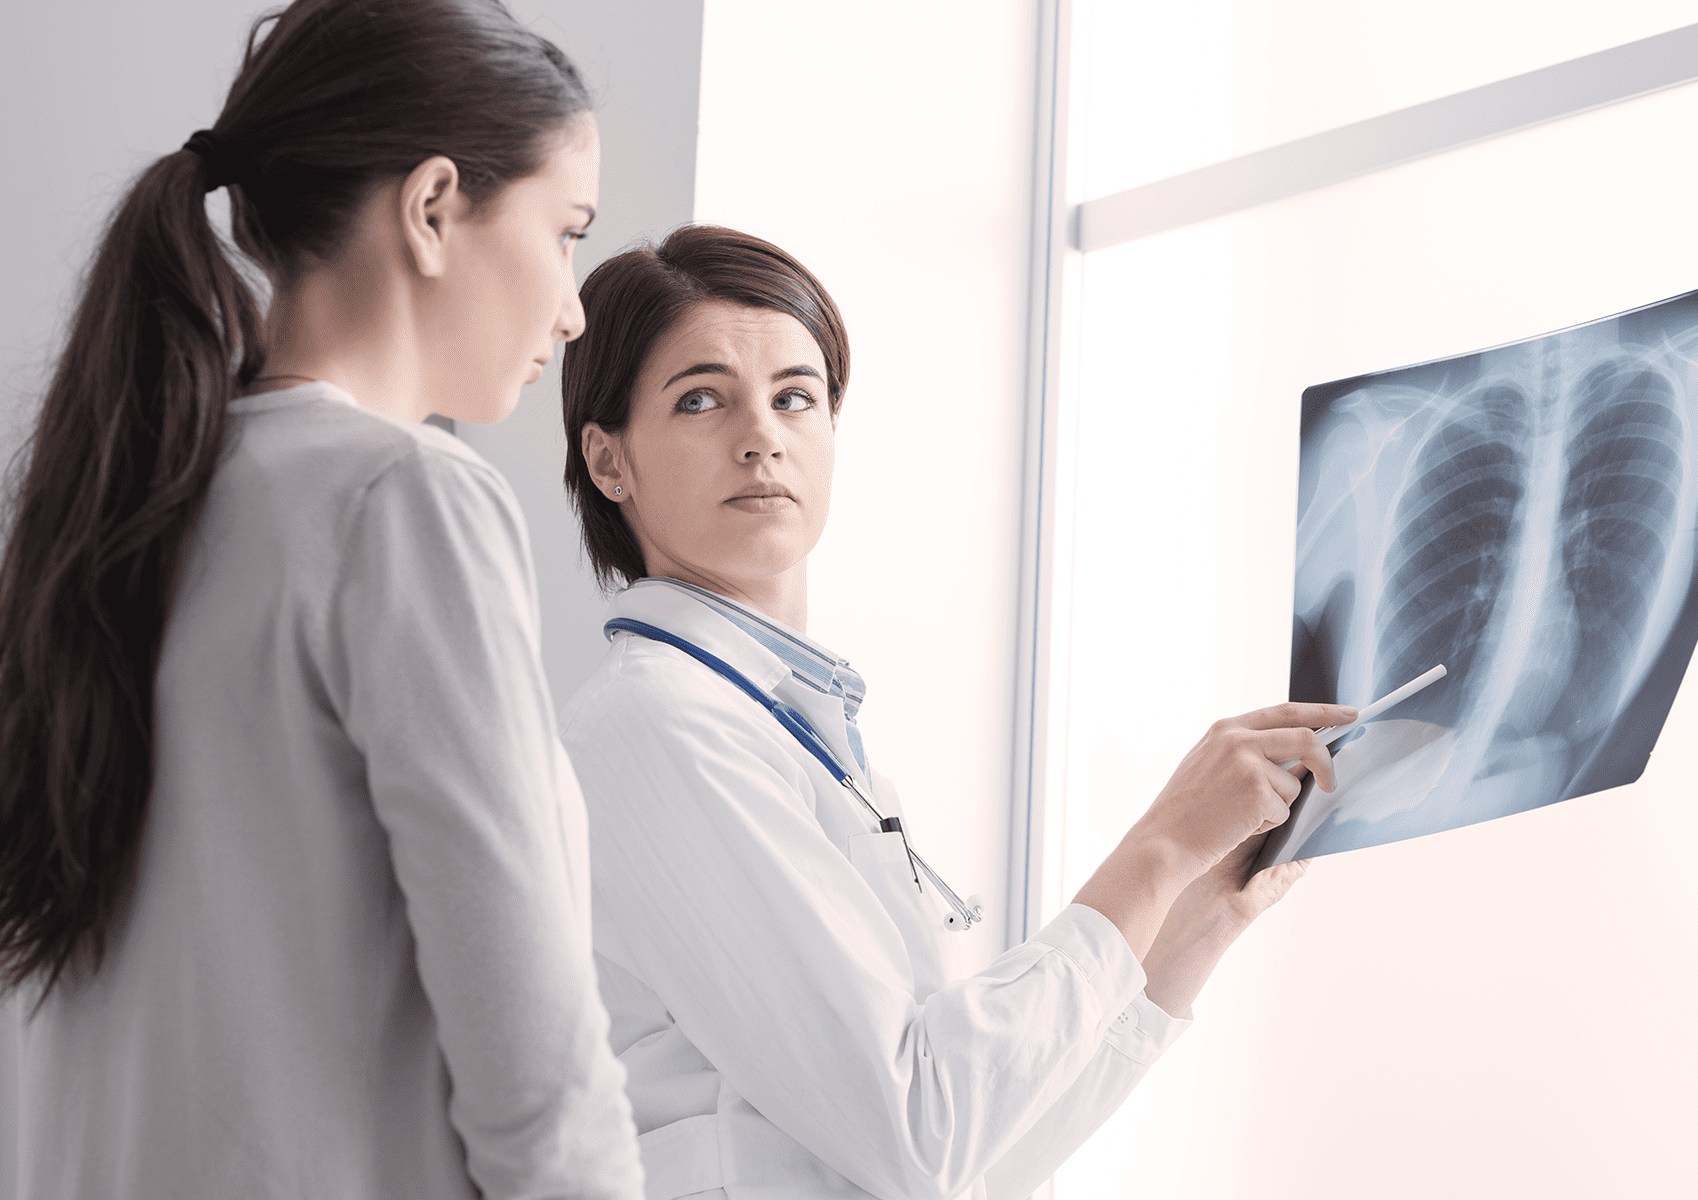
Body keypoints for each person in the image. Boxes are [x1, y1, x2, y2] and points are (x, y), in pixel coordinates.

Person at [0, 2, 641, 1197]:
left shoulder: (131, 502)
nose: (573, 307)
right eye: (567, 234)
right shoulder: (404, 500)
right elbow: (539, 1084)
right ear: (435, 207)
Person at [555, 223, 1356, 1200]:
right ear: (609, 462)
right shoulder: (659, 726)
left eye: (796, 397)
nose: (761, 433)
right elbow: (920, 1130)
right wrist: (1156, 846)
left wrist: (1201, 910)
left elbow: (982, 1149)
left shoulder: (796, 732)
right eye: (701, 398)